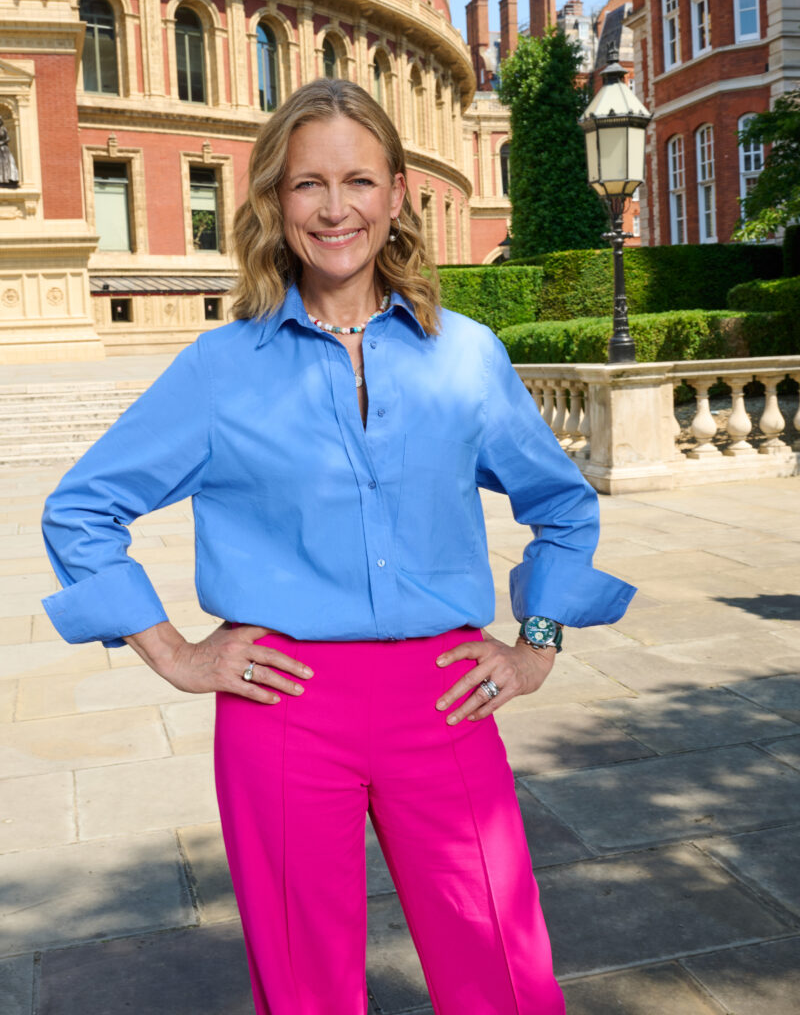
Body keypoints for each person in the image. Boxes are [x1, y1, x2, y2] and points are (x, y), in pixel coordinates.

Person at [41, 78, 636, 1015]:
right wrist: (178, 655)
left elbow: (560, 502)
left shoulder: (466, 355)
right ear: (276, 201)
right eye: (306, 182)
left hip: (445, 697)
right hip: (283, 707)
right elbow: (82, 511)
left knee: (504, 974)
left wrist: (538, 647)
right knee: (305, 986)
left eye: (357, 180)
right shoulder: (220, 370)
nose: (333, 207)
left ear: (397, 194)